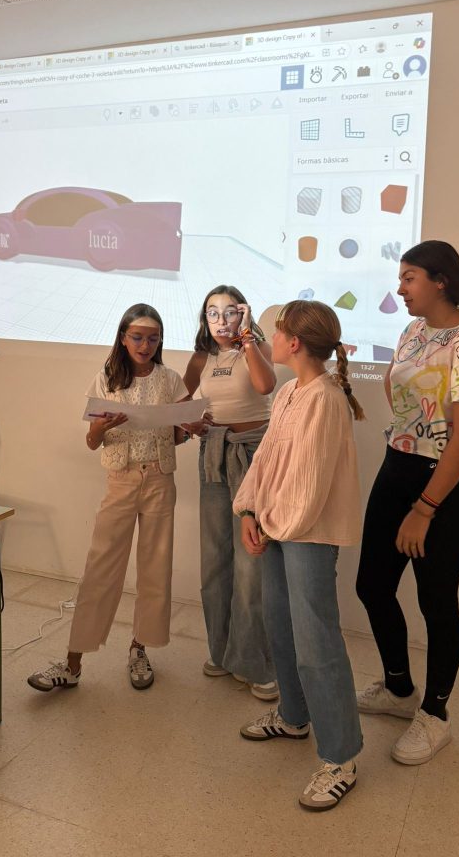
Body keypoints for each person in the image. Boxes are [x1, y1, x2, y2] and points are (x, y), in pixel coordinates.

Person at [355, 240, 459, 765]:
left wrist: (425, 507)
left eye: (409, 277)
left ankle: (435, 714)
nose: (400, 288)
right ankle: (399, 689)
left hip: (447, 482)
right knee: (372, 584)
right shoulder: (413, 330)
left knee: (436, 601)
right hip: (398, 465)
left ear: (441, 281)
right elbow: (397, 391)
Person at [232, 300, 365, 811]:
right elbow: (267, 460)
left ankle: (340, 756)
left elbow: (308, 485)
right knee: (281, 625)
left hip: (305, 531)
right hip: (277, 524)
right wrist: (249, 509)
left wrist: (269, 521)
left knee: (316, 641)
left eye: (276, 331)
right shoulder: (289, 391)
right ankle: (293, 716)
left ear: (294, 343)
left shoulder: (325, 400)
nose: (270, 338)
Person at [27, 304, 188, 693]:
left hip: (160, 479)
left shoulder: (171, 380)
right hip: (121, 479)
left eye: (153, 338)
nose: (145, 345)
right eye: (138, 337)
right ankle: (72, 663)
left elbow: (178, 434)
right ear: (123, 338)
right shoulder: (106, 379)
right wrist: (101, 427)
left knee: (155, 568)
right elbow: (91, 441)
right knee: (101, 567)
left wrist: (189, 428)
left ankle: (139, 648)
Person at [183, 286, 277, 700]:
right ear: (204, 319)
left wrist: (248, 340)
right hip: (213, 454)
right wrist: (191, 423)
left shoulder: (256, 349)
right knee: (214, 559)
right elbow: (182, 404)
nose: (221, 321)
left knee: (251, 564)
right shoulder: (200, 357)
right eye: (212, 313)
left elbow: (265, 385)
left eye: (230, 312)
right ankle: (221, 653)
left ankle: (254, 661)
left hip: (254, 455)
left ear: (244, 314)